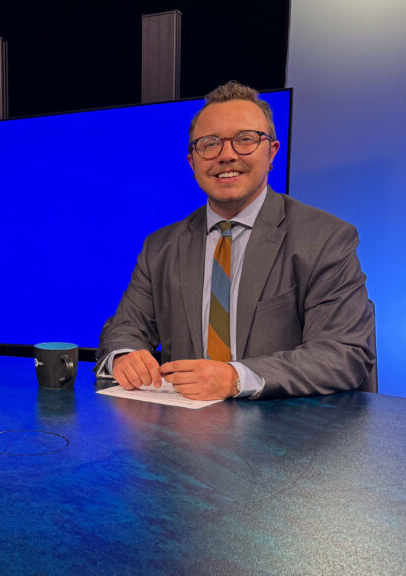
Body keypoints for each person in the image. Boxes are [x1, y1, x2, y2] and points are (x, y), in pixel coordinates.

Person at [97, 81, 374, 401]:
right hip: (180, 432)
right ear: (192, 162)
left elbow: (344, 353)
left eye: (245, 140)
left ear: (272, 152)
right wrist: (124, 356)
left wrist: (235, 378)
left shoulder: (325, 239)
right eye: (210, 144)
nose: (226, 155)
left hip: (287, 435)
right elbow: (124, 328)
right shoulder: (160, 247)